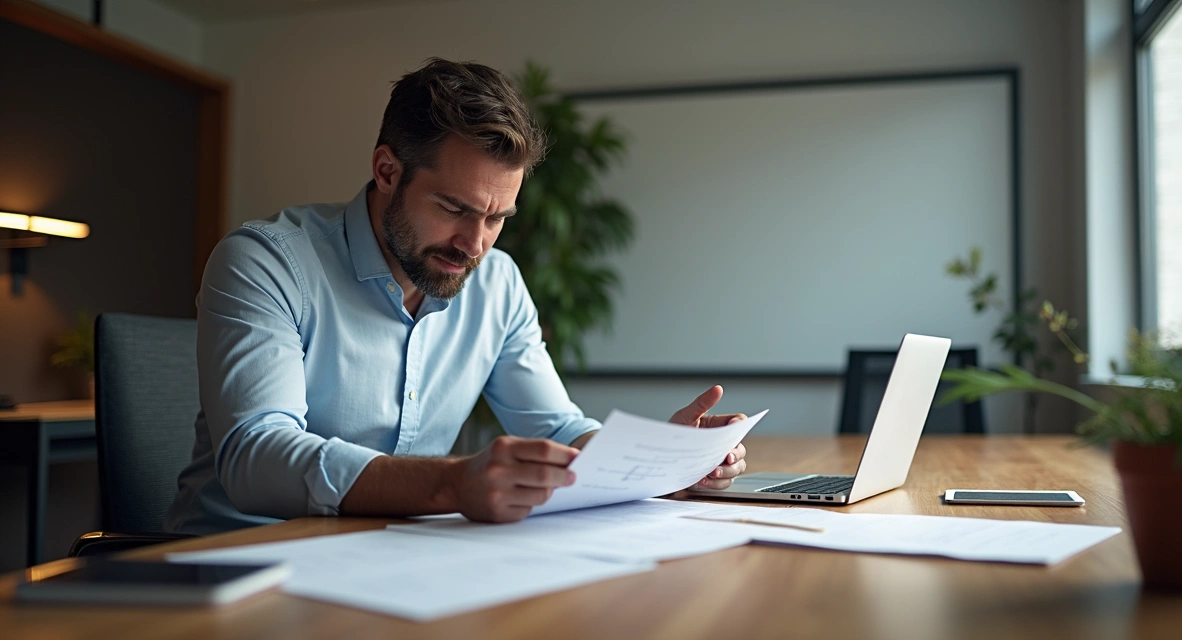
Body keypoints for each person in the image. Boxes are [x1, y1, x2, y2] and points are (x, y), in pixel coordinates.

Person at [166, 58, 747, 534]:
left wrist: (660, 463)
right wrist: (450, 483)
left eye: (498, 217)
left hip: (389, 559)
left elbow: (558, 430)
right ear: (387, 169)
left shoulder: (498, 282)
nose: (474, 244)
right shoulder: (267, 263)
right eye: (454, 209)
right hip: (233, 565)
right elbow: (256, 457)